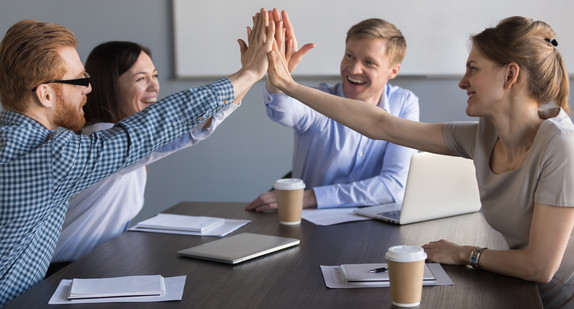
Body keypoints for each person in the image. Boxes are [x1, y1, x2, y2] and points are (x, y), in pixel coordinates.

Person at [267, 14, 574, 308]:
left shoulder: (560, 144)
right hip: (516, 288)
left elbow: (539, 267)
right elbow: (381, 125)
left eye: (473, 68)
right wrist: (288, 86)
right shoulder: (484, 136)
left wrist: (464, 253)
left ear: (510, 75)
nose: (463, 82)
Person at [0, 9, 273, 305]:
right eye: (79, 81)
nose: (87, 89)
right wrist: (247, 75)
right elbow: (149, 129)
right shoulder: (53, 155)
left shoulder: (15, 140)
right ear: (46, 95)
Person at [50, 41, 240, 264]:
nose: (154, 86)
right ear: (109, 86)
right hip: (64, 272)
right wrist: (251, 72)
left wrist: (254, 72)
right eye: (141, 79)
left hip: (99, 262)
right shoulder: (102, 139)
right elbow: (192, 126)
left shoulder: (119, 137)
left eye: (155, 75)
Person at [246, 10, 419, 212]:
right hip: (310, 224)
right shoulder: (318, 99)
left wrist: (311, 197)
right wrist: (278, 79)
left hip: (372, 227)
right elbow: (281, 111)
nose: (354, 69)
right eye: (349, 56)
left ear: (393, 71)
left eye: (369, 62)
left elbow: (394, 186)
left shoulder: (404, 103)